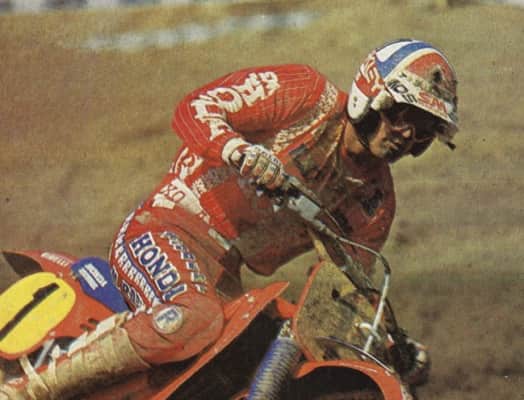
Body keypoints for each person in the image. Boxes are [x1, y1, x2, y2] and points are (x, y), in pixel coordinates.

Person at [0, 38, 458, 399]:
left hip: (226, 277)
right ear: (372, 95)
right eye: (404, 115)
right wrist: (237, 151)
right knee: (190, 318)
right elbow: (196, 107)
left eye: (425, 131)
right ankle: (23, 392)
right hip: (165, 227)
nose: (408, 136)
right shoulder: (306, 95)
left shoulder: (375, 203)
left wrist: (393, 345)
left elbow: (349, 289)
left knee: (259, 354)